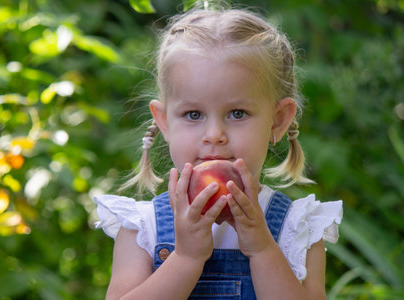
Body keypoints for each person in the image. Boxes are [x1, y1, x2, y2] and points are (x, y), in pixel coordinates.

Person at [95, 7, 342, 300]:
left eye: (237, 113)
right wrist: (185, 258)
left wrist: (263, 250)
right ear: (164, 122)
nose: (214, 135)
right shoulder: (143, 228)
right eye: (193, 114)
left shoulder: (296, 228)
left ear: (277, 120)